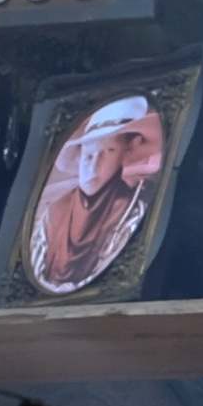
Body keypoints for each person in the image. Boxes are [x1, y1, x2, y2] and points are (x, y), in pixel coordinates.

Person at [26, 94, 167, 297]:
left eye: (108, 151)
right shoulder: (54, 211)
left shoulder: (133, 210)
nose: (93, 164)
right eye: (88, 155)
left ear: (125, 153)